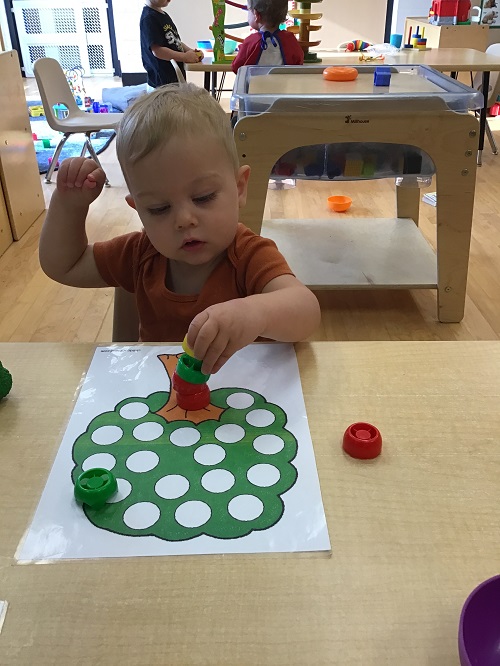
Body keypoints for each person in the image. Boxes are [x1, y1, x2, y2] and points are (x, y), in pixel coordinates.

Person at [39, 83, 321, 375]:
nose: (184, 219)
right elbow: (64, 265)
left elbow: (306, 312)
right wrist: (69, 206)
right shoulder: (140, 253)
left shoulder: (249, 255)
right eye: (159, 209)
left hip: (240, 399)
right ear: (137, 209)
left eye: (203, 198)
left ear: (239, 188)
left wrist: (256, 313)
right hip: (156, 397)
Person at [140, 0, 201, 88]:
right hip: (161, 83)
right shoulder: (149, 18)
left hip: (173, 79)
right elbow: (158, 51)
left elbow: (176, 41)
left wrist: (191, 51)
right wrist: (185, 57)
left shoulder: (163, 15)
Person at [231, 0, 304, 74]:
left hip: (254, 85)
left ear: (256, 15)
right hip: (284, 85)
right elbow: (299, 63)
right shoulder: (290, 40)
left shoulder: (251, 41)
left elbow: (236, 67)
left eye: (249, 10)